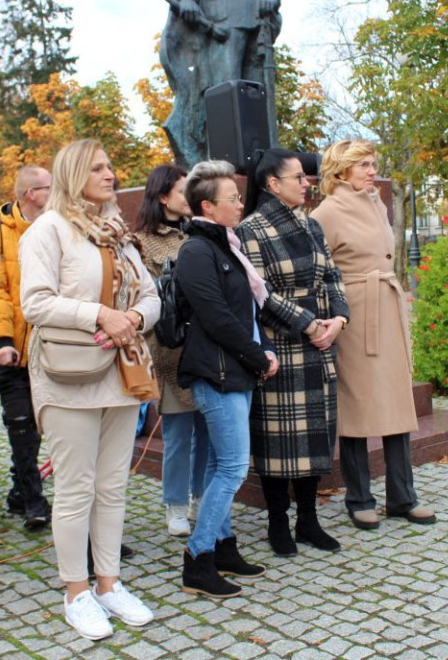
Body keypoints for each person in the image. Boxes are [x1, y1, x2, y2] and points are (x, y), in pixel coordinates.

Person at [19, 139, 160, 641]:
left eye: (110, 165)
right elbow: (35, 303)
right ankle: (75, 591)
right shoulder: (48, 230)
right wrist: (99, 313)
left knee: (112, 486)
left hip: (121, 374)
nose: (110, 173)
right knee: (75, 490)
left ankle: (108, 583)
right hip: (68, 377)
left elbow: (150, 293)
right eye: (98, 167)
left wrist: (138, 317)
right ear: (74, 173)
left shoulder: (118, 234)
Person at [310, 139, 436, 531]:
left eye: (372, 163)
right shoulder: (325, 213)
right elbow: (319, 273)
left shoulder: (376, 202)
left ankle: (402, 496)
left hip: (387, 304)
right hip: (354, 314)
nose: (371, 170)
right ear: (340, 170)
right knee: (357, 407)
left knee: (397, 403)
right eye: (362, 164)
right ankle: (359, 497)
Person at [237, 149, 348, 556]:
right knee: (277, 443)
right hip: (280, 345)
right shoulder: (251, 230)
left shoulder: (310, 224)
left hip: (320, 343)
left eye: (306, 176)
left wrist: (338, 320)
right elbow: (260, 293)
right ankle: (277, 523)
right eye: (298, 177)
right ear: (272, 184)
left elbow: (332, 275)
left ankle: (309, 521)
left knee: (314, 438)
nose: (307, 183)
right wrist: (308, 323)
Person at [176, 159, 276, 598]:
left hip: (236, 369)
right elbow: (216, 317)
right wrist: (257, 355)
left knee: (221, 463)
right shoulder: (197, 251)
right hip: (218, 372)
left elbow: (244, 310)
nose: (239, 203)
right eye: (231, 199)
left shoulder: (226, 246)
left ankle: (223, 546)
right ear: (207, 206)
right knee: (234, 466)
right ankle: (198, 559)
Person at [160, 0, 281, 166]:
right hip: (221, 13)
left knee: (257, 93)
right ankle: (225, 161)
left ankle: (259, 161)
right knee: (225, 90)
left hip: (261, 19)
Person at [0, 166, 53, 530]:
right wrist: (4, 342)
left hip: (46, 343)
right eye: (48, 187)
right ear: (29, 194)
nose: (54, 192)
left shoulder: (53, 228)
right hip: (7, 341)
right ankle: (34, 500)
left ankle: (18, 492)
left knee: (38, 422)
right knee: (20, 421)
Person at [133, 165, 210, 537]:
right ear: (164, 196)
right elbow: (146, 299)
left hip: (210, 347)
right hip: (173, 349)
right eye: (183, 190)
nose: (190, 197)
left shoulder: (201, 230)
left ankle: (200, 498)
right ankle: (175, 504)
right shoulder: (143, 242)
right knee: (179, 432)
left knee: (208, 429)